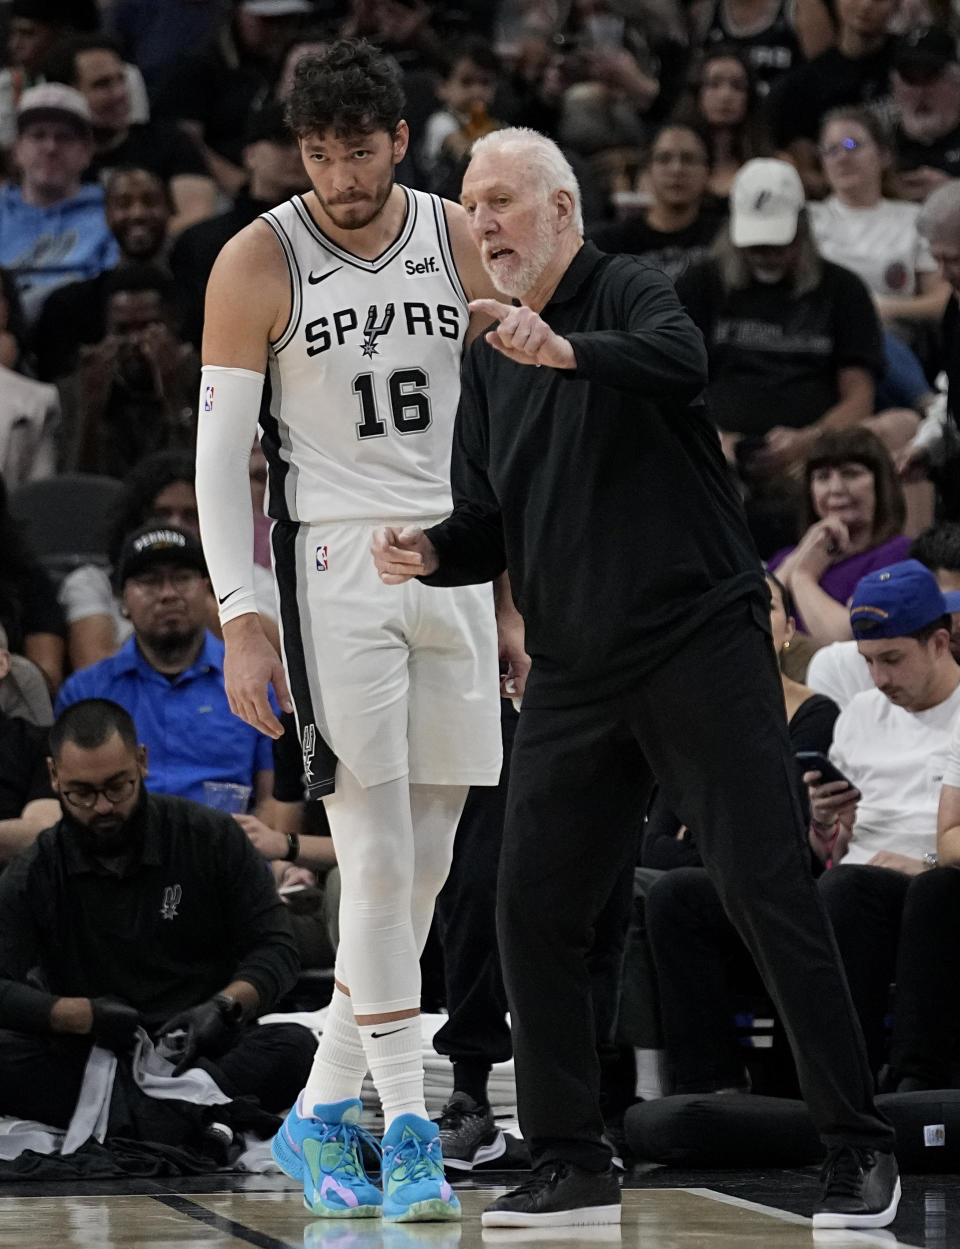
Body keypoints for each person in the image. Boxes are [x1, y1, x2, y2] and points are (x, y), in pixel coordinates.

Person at [371, 125, 899, 1231]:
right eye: (471, 204)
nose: (484, 222)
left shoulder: (630, 289)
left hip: (696, 640)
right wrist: (433, 550)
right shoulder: (483, 357)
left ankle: (857, 1144)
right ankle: (571, 1151)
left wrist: (565, 349)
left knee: (764, 888)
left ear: (563, 209)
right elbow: (488, 521)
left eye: (504, 199)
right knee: (532, 906)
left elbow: (681, 364)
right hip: (572, 665)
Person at [194, 38, 504, 1223]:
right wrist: (243, 615)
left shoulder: (453, 233)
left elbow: (504, 427)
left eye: (359, 150)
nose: (339, 175)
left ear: (400, 138)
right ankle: (408, 1124)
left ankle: (319, 1113)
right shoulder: (254, 259)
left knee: (423, 867)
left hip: (458, 557)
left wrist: (510, 593)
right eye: (318, 153)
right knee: (372, 856)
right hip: (334, 565)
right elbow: (223, 464)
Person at [0, 698, 314, 1127]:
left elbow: (276, 948)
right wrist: (75, 1014)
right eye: (82, 793)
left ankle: (147, 1113)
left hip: (200, 1047)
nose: (103, 807)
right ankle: (185, 1114)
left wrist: (224, 1006)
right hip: (88, 1052)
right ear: (54, 777)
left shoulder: (210, 836)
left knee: (296, 1046)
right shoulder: (39, 866)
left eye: (117, 786)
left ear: (142, 763)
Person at [645, 572, 840, 1096]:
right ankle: (691, 1086)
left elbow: (785, 835)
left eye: (766, 608)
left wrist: (701, 833)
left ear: (787, 628)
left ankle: (780, 1088)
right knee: (652, 891)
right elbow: (657, 842)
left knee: (683, 893)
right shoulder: (690, 719)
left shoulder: (816, 713)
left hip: (788, 884)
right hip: (709, 890)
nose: (751, 626)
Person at [675, 158, 886, 554]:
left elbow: (859, 397)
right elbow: (672, 384)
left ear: (802, 229)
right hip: (715, 446)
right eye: (755, 243)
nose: (766, 252)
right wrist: (717, 440)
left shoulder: (842, 290)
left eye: (778, 241)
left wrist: (808, 441)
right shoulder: (701, 284)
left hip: (813, 451)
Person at [807, 559, 960, 1076]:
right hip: (856, 876)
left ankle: (912, 1079)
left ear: (939, 643)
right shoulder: (859, 714)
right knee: (840, 887)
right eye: (868, 661)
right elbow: (832, 848)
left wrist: (925, 865)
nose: (879, 678)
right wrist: (825, 823)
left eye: (892, 659)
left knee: (918, 893)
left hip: (935, 880)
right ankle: (843, 1083)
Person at [55, 526, 274, 811]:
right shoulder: (85, 692)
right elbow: (70, 801)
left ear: (208, 589)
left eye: (182, 579)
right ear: (123, 601)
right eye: (149, 582)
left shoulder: (254, 681)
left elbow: (278, 801)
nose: (168, 594)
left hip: (227, 845)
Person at [45, 34, 217, 236]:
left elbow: (198, 215)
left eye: (121, 80)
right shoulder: (49, 156)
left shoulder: (170, 141)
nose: (119, 94)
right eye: (102, 85)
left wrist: (133, 246)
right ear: (66, 95)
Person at [810, 106, 949, 334]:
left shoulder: (915, 219)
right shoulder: (807, 219)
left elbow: (941, 299)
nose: (842, 157)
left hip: (891, 338)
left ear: (884, 156)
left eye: (852, 145)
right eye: (831, 150)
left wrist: (881, 309)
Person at [768, 427, 911, 643]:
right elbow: (744, 630)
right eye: (822, 477)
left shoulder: (900, 554)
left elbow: (855, 642)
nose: (835, 489)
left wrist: (803, 578)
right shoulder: (783, 560)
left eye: (851, 473)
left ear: (882, 484)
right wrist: (796, 561)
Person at [32, 166, 173, 383]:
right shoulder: (67, 307)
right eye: (123, 204)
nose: (138, 213)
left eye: (150, 201)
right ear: (106, 215)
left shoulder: (200, 297)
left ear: (170, 210)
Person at [0, 82, 117, 322]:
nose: (51, 147)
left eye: (64, 138)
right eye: (38, 135)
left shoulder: (111, 213)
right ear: (17, 151)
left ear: (87, 153)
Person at [768, 0, 898, 196]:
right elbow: (807, 171)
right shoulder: (803, 84)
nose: (865, 5)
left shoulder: (914, 63)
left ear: (897, 5)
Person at [590, 123, 725, 282]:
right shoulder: (608, 244)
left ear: (708, 171)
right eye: (664, 159)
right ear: (647, 171)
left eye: (688, 159)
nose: (677, 169)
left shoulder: (724, 237)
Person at [676, 46, 771, 200]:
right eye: (714, 84)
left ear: (749, 97)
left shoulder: (772, 166)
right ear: (697, 93)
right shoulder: (670, 163)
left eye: (737, 86)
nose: (726, 95)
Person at [892, 26, 960, 203]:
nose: (920, 92)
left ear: (956, 81)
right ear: (895, 87)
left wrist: (952, 193)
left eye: (931, 77)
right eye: (910, 79)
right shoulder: (882, 148)